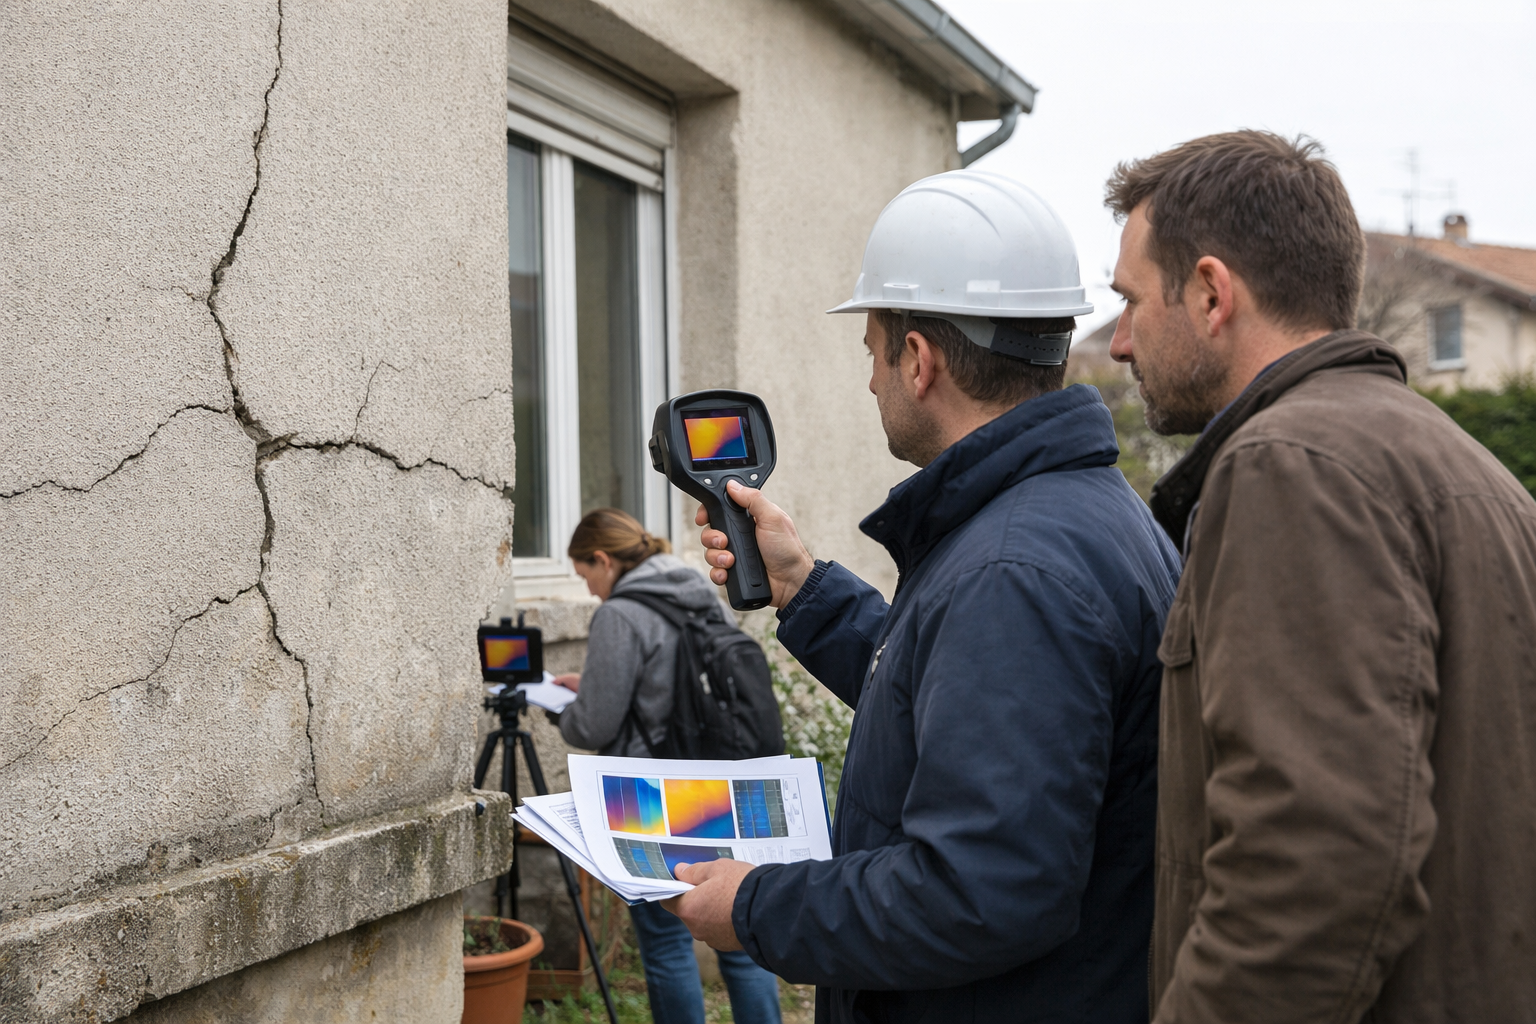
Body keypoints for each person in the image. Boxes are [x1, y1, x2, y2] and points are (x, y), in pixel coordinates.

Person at [662, 170, 1183, 1022]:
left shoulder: (1014, 571)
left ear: (917, 360)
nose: (871, 382)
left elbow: (979, 890)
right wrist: (804, 589)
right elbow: (950, 688)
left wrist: (752, 908)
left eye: (872, 353)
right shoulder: (1073, 514)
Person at [1102, 130, 1536, 1022]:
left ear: (1212, 293)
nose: (1116, 343)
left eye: (1132, 302)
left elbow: (1314, 862)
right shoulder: (1467, 466)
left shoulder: (1290, 468)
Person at [552, 508, 783, 1024]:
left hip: (650, 794)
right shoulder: (697, 593)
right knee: (738, 931)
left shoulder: (620, 613)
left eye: (585, 574)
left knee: (665, 943)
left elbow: (592, 726)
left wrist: (562, 708)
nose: (590, 590)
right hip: (717, 784)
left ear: (603, 559)